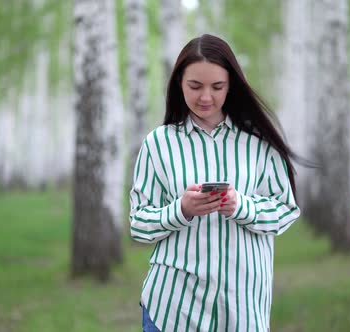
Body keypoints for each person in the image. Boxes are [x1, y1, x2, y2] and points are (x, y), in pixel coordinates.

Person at [129, 34, 301, 332]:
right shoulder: (158, 144)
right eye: (195, 86)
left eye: (217, 87)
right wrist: (181, 210)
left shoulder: (258, 143)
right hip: (172, 309)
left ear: (231, 85)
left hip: (242, 312)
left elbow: (286, 210)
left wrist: (240, 206)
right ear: (179, 84)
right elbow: (139, 225)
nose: (205, 97)